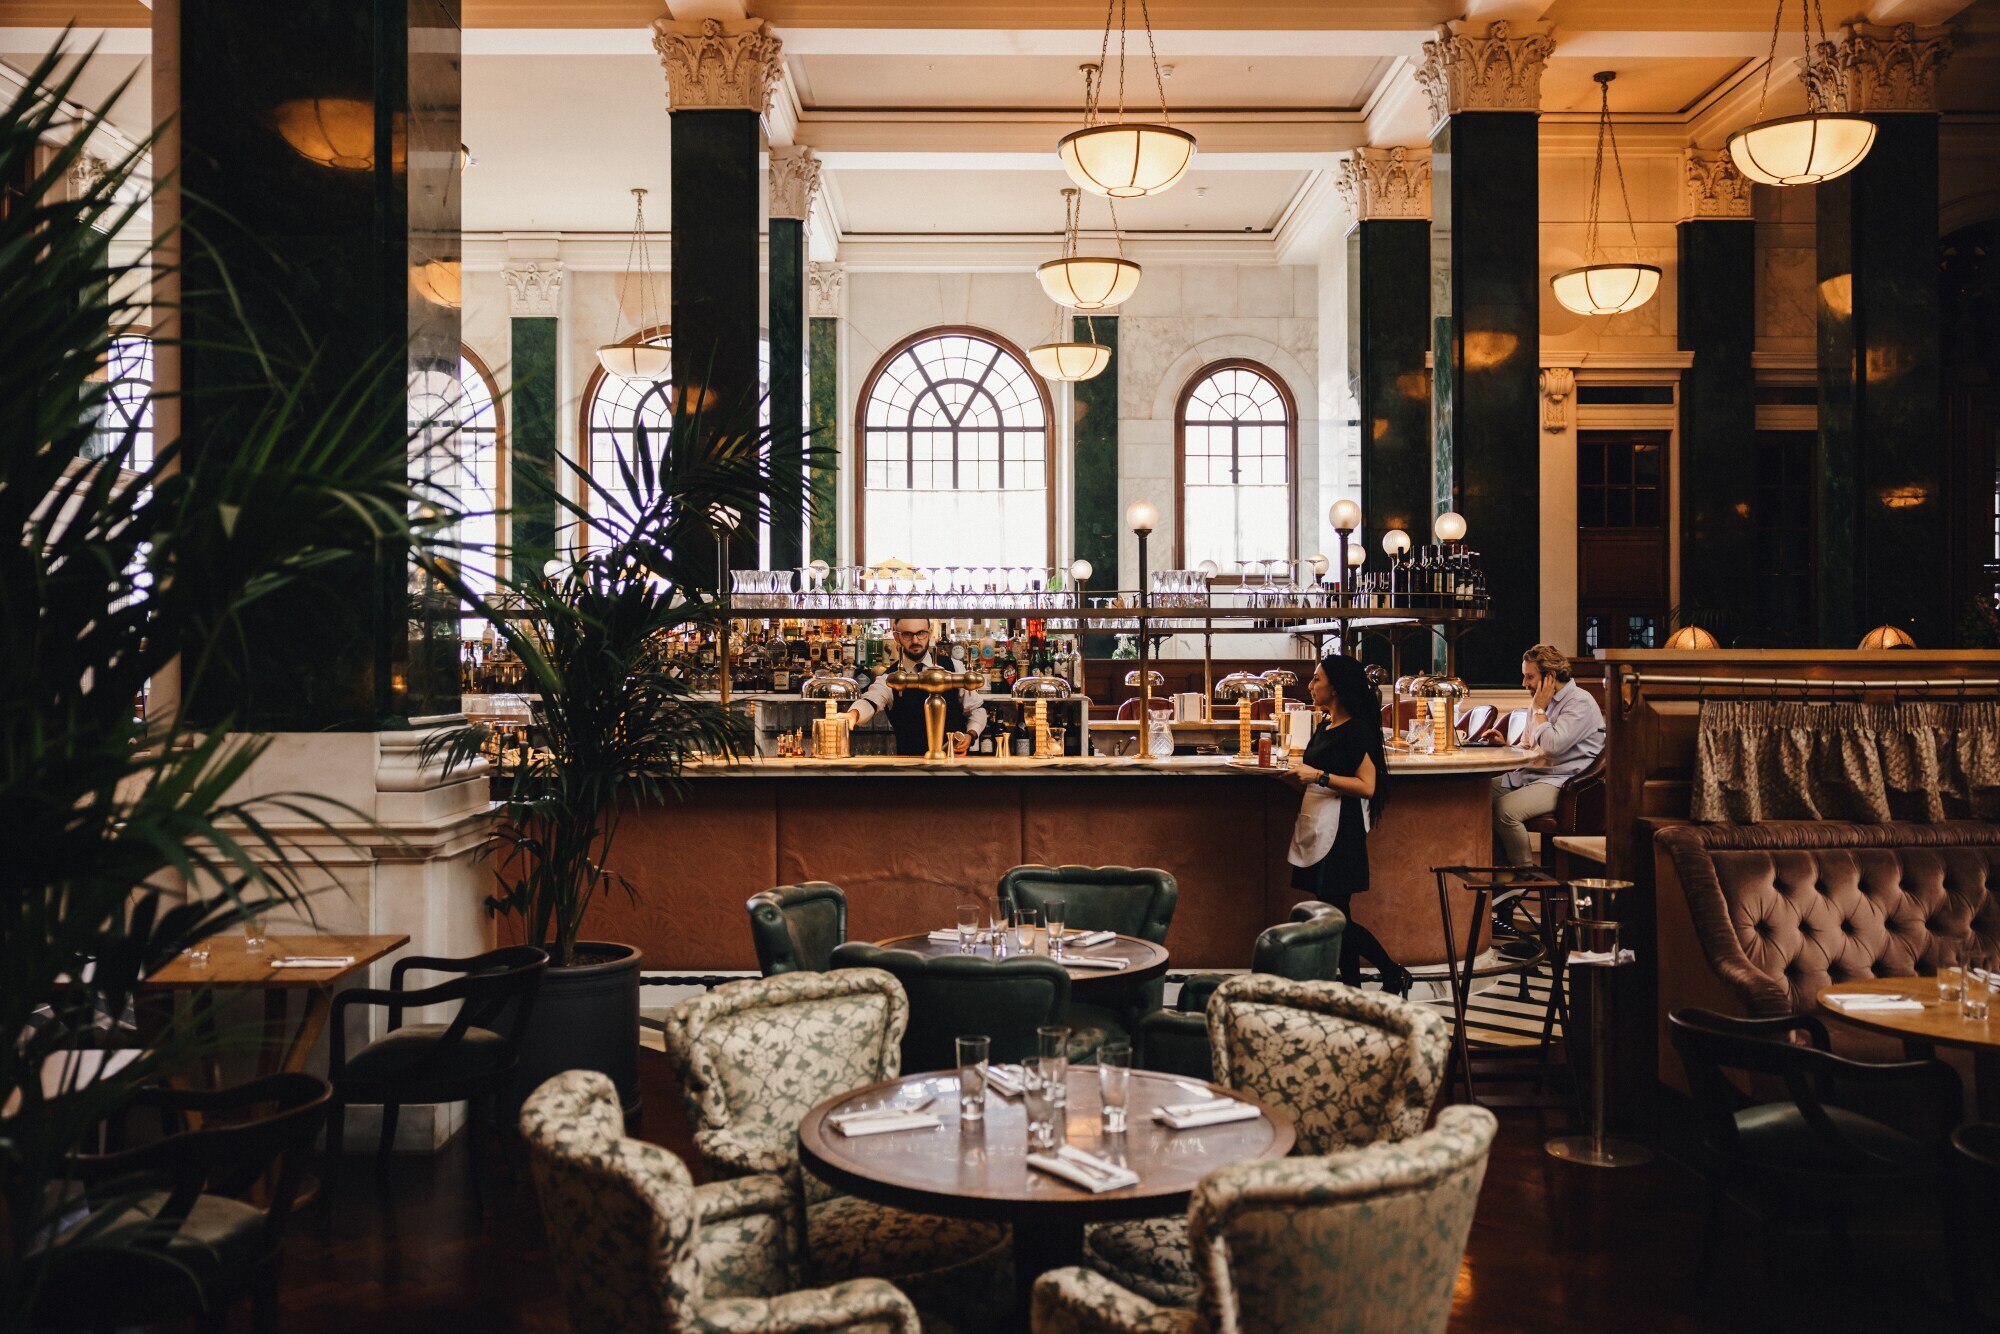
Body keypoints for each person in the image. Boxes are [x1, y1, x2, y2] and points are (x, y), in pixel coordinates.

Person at [1285, 653, 1413, 997]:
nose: (1310, 686)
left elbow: (1367, 786)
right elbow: (1318, 773)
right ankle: (1353, 990)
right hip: (1317, 822)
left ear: (1336, 688)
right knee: (1333, 914)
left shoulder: (1357, 729)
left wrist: (1318, 775)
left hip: (1341, 829)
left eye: (1317, 680)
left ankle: (1392, 971)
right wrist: (1299, 776)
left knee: (1335, 919)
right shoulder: (1325, 725)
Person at [1483, 644, 1605, 866]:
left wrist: (1539, 710)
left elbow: (1551, 747)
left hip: (1565, 782)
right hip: (1534, 775)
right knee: (1475, 796)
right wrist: (1505, 746)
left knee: (1504, 811)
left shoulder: (1580, 702)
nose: (1524, 683)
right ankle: (1500, 874)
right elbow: (1528, 746)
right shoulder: (1539, 702)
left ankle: (1524, 877)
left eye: (1529, 677)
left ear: (1549, 676)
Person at [846, 618, 988, 757]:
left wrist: (970, 735)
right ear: (896, 636)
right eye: (907, 634)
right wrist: (853, 714)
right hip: (910, 768)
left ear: (930, 632)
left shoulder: (953, 666)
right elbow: (871, 700)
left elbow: (977, 709)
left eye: (921, 633)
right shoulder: (891, 677)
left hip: (954, 764)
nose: (915, 641)